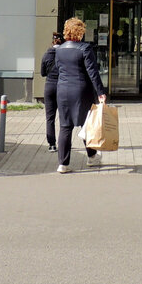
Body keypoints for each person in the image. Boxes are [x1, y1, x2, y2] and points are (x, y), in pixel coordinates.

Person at [53, 17, 107, 173]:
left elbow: (58, 69)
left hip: (62, 90)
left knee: (65, 126)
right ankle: (91, 156)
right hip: (81, 90)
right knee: (87, 125)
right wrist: (100, 92)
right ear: (80, 32)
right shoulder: (85, 48)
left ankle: (63, 164)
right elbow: (93, 72)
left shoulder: (60, 49)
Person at [40, 30, 63, 151]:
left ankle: (52, 144)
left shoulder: (46, 55)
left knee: (50, 118)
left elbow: (43, 73)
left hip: (49, 86)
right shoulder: (64, 54)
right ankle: (63, 143)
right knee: (63, 117)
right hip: (62, 86)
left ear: (52, 41)